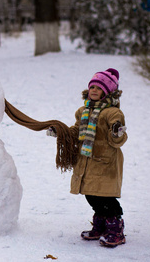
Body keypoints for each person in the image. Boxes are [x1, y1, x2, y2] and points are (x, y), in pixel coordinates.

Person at [47, 68, 127, 247]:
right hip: (86, 160)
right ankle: (100, 225)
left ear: (107, 92)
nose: (94, 91)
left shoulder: (112, 113)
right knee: (91, 195)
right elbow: (77, 131)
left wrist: (116, 131)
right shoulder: (83, 110)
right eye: (92, 87)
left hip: (105, 162)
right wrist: (62, 132)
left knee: (105, 196)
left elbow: (119, 137)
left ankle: (116, 229)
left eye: (99, 89)